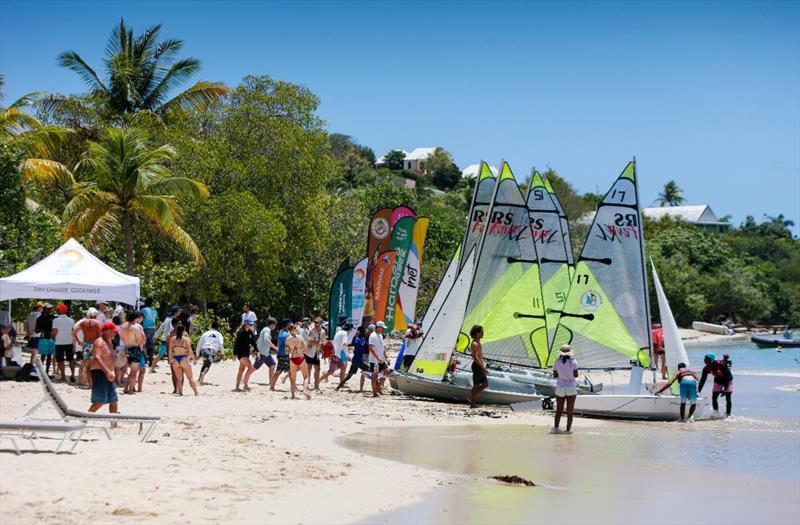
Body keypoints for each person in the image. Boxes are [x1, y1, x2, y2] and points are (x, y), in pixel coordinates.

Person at [88, 322, 120, 415]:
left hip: (108, 373)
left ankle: (114, 423)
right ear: (106, 331)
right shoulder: (99, 341)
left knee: (113, 400)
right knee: (100, 401)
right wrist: (107, 372)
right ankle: (84, 420)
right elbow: (96, 357)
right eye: (113, 332)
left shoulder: (109, 342)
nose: (115, 333)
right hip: (100, 373)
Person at [552, 344, 578, 434]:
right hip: (571, 387)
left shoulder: (557, 362)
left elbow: (555, 375)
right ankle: (568, 431)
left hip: (560, 387)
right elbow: (576, 375)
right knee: (569, 412)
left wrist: (561, 374)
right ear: (570, 353)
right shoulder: (574, 361)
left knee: (559, 410)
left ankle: (555, 429)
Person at [72, 308, 102, 386]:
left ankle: (88, 383)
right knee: (95, 364)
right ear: (95, 315)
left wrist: (78, 341)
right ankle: (92, 383)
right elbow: (100, 336)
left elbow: (73, 333)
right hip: (95, 345)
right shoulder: (98, 323)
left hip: (86, 345)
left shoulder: (83, 323)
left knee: (87, 364)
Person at [699, 352, 734, 418]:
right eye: (704, 358)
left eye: (706, 358)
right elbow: (702, 380)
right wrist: (698, 391)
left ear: (711, 359)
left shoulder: (721, 364)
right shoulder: (706, 369)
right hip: (718, 381)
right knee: (714, 398)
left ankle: (728, 415)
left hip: (728, 380)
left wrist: (725, 389)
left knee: (728, 398)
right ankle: (716, 413)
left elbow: (727, 376)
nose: (704, 360)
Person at [168, 322, 198, 396]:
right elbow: (190, 351)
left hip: (175, 359)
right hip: (183, 358)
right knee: (190, 377)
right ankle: (196, 392)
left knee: (179, 379)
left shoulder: (172, 339)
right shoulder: (186, 339)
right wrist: (194, 359)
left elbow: (170, 351)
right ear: (183, 331)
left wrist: (170, 359)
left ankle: (181, 393)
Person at [337, 326, 370, 391]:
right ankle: (338, 387)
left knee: (370, 370)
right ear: (360, 332)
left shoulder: (363, 339)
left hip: (360, 360)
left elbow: (368, 346)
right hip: (356, 361)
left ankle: (338, 387)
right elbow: (352, 344)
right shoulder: (357, 339)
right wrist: (355, 336)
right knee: (349, 376)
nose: (365, 332)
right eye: (364, 331)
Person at [121, 310, 146, 394]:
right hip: (135, 348)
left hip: (126, 348)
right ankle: (131, 389)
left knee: (130, 370)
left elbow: (122, 339)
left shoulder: (123, 326)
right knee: (134, 371)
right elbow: (141, 341)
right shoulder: (135, 328)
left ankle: (125, 388)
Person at [321, 321, 351, 387]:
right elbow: (344, 344)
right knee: (332, 370)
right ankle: (319, 380)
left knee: (344, 367)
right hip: (339, 354)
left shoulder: (339, 332)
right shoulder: (345, 334)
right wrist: (348, 346)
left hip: (338, 353)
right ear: (350, 328)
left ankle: (341, 383)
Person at [286, 323, 311, 399]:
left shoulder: (288, 339)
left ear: (289, 331)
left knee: (293, 379)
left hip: (293, 359)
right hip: (300, 357)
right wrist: (300, 350)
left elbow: (287, 350)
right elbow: (306, 348)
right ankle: (305, 390)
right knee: (306, 377)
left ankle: (293, 395)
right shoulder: (300, 338)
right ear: (295, 330)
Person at [52, 304, 76, 382]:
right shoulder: (71, 320)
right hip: (69, 342)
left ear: (59, 311)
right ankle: (72, 375)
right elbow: (73, 331)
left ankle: (63, 376)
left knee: (60, 360)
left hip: (59, 342)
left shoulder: (56, 320)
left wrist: (53, 337)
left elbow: (55, 331)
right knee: (71, 359)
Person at [468, 325, 489, 408]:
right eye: (481, 331)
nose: (483, 333)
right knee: (476, 385)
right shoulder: (474, 343)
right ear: (477, 333)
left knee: (485, 384)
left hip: (480, 366)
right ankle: (472, 404)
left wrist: (483, 367)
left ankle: (471, 398)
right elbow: (474, 356)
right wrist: (482, 367)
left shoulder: (478, 342)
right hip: (477, 366)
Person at [234, 319, 257, 392]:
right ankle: (245, 384)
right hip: (240, 353)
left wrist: (257, 351)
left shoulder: (250, 332)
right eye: (249, 324)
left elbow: (253, 342)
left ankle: (237, 387)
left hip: (246, 353)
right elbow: (236, 343)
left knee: (241, 370)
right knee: (250, 368)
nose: (250, 326)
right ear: (245, 324)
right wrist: (234, 354)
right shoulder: (241, 332)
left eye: (251, 325)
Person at [269, 319, 292, 391]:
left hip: (280, 354)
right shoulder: (285, 334)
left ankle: (272, 386)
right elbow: (288, 345)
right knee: (282, 371)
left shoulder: (281, 331)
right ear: (287, 325)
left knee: (285, 371)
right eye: (290, 324)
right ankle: (272, 387)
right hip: (284, 355)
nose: (291, 325)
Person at [255, 318, 278, 386]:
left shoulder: (265, 329)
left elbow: (258, 340)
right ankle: (244, 379)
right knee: (254, 368)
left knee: (272, 365)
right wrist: (275, 348)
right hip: (262, 353)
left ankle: (271, 382)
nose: (275, 326)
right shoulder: (267, 330)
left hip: (266, 353)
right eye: (275, 325)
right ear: (272, 324)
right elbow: (266, 340)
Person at [35, 303, 56, 376]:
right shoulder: (39, 318)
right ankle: (41, 372)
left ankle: (46, 372)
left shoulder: (53, 317)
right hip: (43, 338)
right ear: (44, 309)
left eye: (50, 309)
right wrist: (41, 330)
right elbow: (36, 330)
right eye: (48, 309)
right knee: (43, 356)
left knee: (49, 356)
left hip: (51, 338)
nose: (50, 310)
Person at [368, 321, 388, 397]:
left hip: (381, 359)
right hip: (374, 360)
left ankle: (378, 387)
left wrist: (385, 357)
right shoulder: (372, 335)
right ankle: (374, 393)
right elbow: (370, 348)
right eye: (382, 328)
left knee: (387, 372)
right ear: (378, 327)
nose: (383, 329)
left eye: (383, 328)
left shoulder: (380, 335)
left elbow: (382, 348)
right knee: (374, 376)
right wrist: (377, 358)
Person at [305, 317, 324, 389]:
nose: (315, 324)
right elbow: (309, 342)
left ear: (321, 323)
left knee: (318, 369)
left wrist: (321, 345)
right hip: (309, 352)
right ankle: (307, 385)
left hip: (316, 353)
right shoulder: (312, 330)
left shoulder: (323, 332)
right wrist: (318, 343)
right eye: (315, 322)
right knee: (308, 369)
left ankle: (316, 385)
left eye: (317, 322)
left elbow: (322, 341)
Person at [140, 298, 159, 369]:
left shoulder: (143, 310)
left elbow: (140, 319)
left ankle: (144, 360)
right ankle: (151, 361)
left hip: (145, 328)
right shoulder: (154, 310)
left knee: (143, 345)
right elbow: (155, 319)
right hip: (153, 328)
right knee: (151, 346)